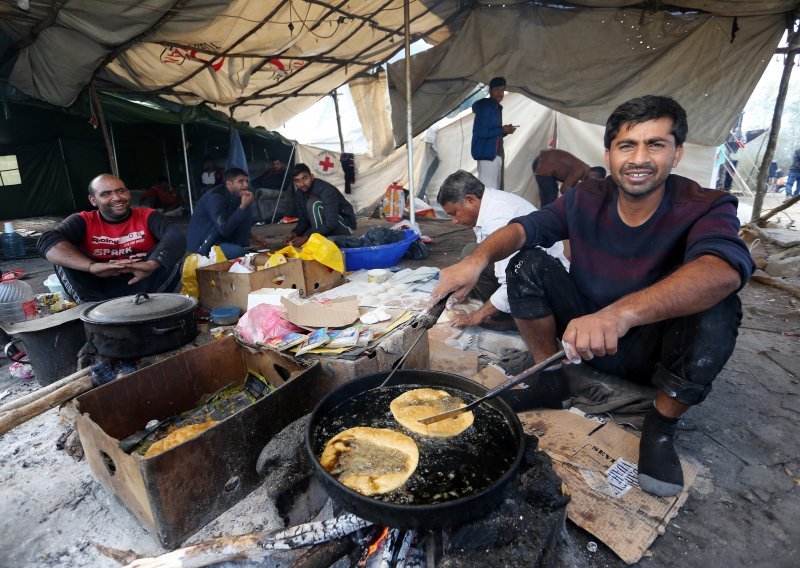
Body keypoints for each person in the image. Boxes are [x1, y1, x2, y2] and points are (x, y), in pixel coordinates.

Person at [432, 95, 754, 497]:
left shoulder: (705, 205)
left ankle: (660, 426)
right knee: (526, 263)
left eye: (655, 144)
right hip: (580, 339)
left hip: (650, 349)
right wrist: (476, 260)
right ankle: (549, 380)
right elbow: (526, 228)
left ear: (678, 152)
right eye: (626, 145)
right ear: (609, 153)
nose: (639, 158)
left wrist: (620, 315)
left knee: (720, 305)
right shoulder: (586, 197)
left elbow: (723, 269)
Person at [437, 170, 568, 329]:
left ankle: (518, 319)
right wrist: (465, 283)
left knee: (477, 261)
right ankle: (504, 312)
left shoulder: (498, 219)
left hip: (550, 280)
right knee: (470, 254)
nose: (454, 221)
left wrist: (476, 315)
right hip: (533, 268)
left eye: (454, 213)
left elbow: (512, 280)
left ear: (470, 200)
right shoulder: (487, 203)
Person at [37, 174, 185, 303]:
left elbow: (174, 235)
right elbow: (46, 241)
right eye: (106, 194)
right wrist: (92, 267)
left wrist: (152, 264)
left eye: (121, 191)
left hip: (145, 282)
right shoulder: (83, 220)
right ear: (93, 200)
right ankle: (91, 310)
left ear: (128, 193)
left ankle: (154, 305)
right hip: (98, 289)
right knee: (62, 256)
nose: (117, 198)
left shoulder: (147, 216)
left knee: (172, 250)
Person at [186, 167, 267, 258]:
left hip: (220, 238)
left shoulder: (235, 196)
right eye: (241, 181)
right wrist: (242, 206)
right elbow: (224, 229)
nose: (245, 185)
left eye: (246, 181)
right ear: (229, 184)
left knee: (246, 210)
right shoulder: (215, 198)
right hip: (204, 244)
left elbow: (233, 220)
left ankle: (241, 246)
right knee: (239, 253)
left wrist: (253, 236)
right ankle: (238, 250)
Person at [284, 163, 357, 247]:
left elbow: (331, 223)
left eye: (305, 178)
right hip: (327, 226)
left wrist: (306, 237)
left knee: (314, 203)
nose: (302, 184)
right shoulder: (299, 194)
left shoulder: (325, 190)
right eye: (297, 181)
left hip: (344, 227)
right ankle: (318, 239)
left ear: (312, 176)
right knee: (298, 241)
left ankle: (320, 242)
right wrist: (294, 233)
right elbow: (303, 221)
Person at [471, 77, 517, 190]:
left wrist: (505, 131)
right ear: (490, 91)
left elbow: (491, 133)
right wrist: (502, 130)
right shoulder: (486, 107)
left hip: (494, 154)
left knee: (493, 191)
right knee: (489, 191)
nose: (500, 93)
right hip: (488, 155)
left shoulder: (495, 107)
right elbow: (481, 131)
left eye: (502, 90)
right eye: (497, 89)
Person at [532, 149, 600, 207]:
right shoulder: (580, 169)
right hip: (543, 164)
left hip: (543, 161)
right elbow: (564, 190)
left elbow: (570, 184)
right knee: (550, 201)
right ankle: (544, 220)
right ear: (594, 174)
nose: (591, 183)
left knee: (549, 198)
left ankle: (542, 219)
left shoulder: (582, 170)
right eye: (594, 180)